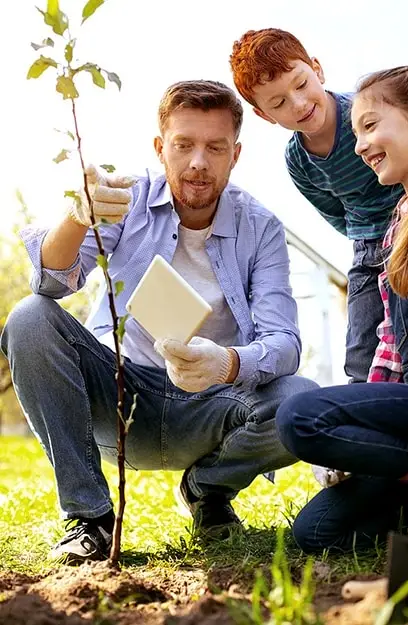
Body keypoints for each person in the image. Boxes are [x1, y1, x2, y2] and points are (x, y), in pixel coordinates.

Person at [0, 80, 318, 564]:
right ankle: (90, 518)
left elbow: (285, 343)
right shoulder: (121, 200)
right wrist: (76, 216)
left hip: (214, 406)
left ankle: (207, 491)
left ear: (235, 154)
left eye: (214, 148)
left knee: (302, 400)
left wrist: (226, 364)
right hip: (122, 396)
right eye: (183, 145)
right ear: (159, 147)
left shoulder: (262, 228)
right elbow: (49, 285)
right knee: (28, 318)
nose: (197, 162)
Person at [275, 66, 408, 553]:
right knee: (315, 533)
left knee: (299, 417)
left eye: (370, 126)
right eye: (356, 131)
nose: (359, 146)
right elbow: (390, 341)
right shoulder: (402, 217)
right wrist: (361, 431)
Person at [229, 28, 403, 384]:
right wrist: (366, 236)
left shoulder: (367, 114)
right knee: (360, 353)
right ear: (264, 115)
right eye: (278, 103)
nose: (298, 103)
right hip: (368, 249)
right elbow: (334, 213)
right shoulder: (299, 161)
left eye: (301, 83)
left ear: (317, 70)